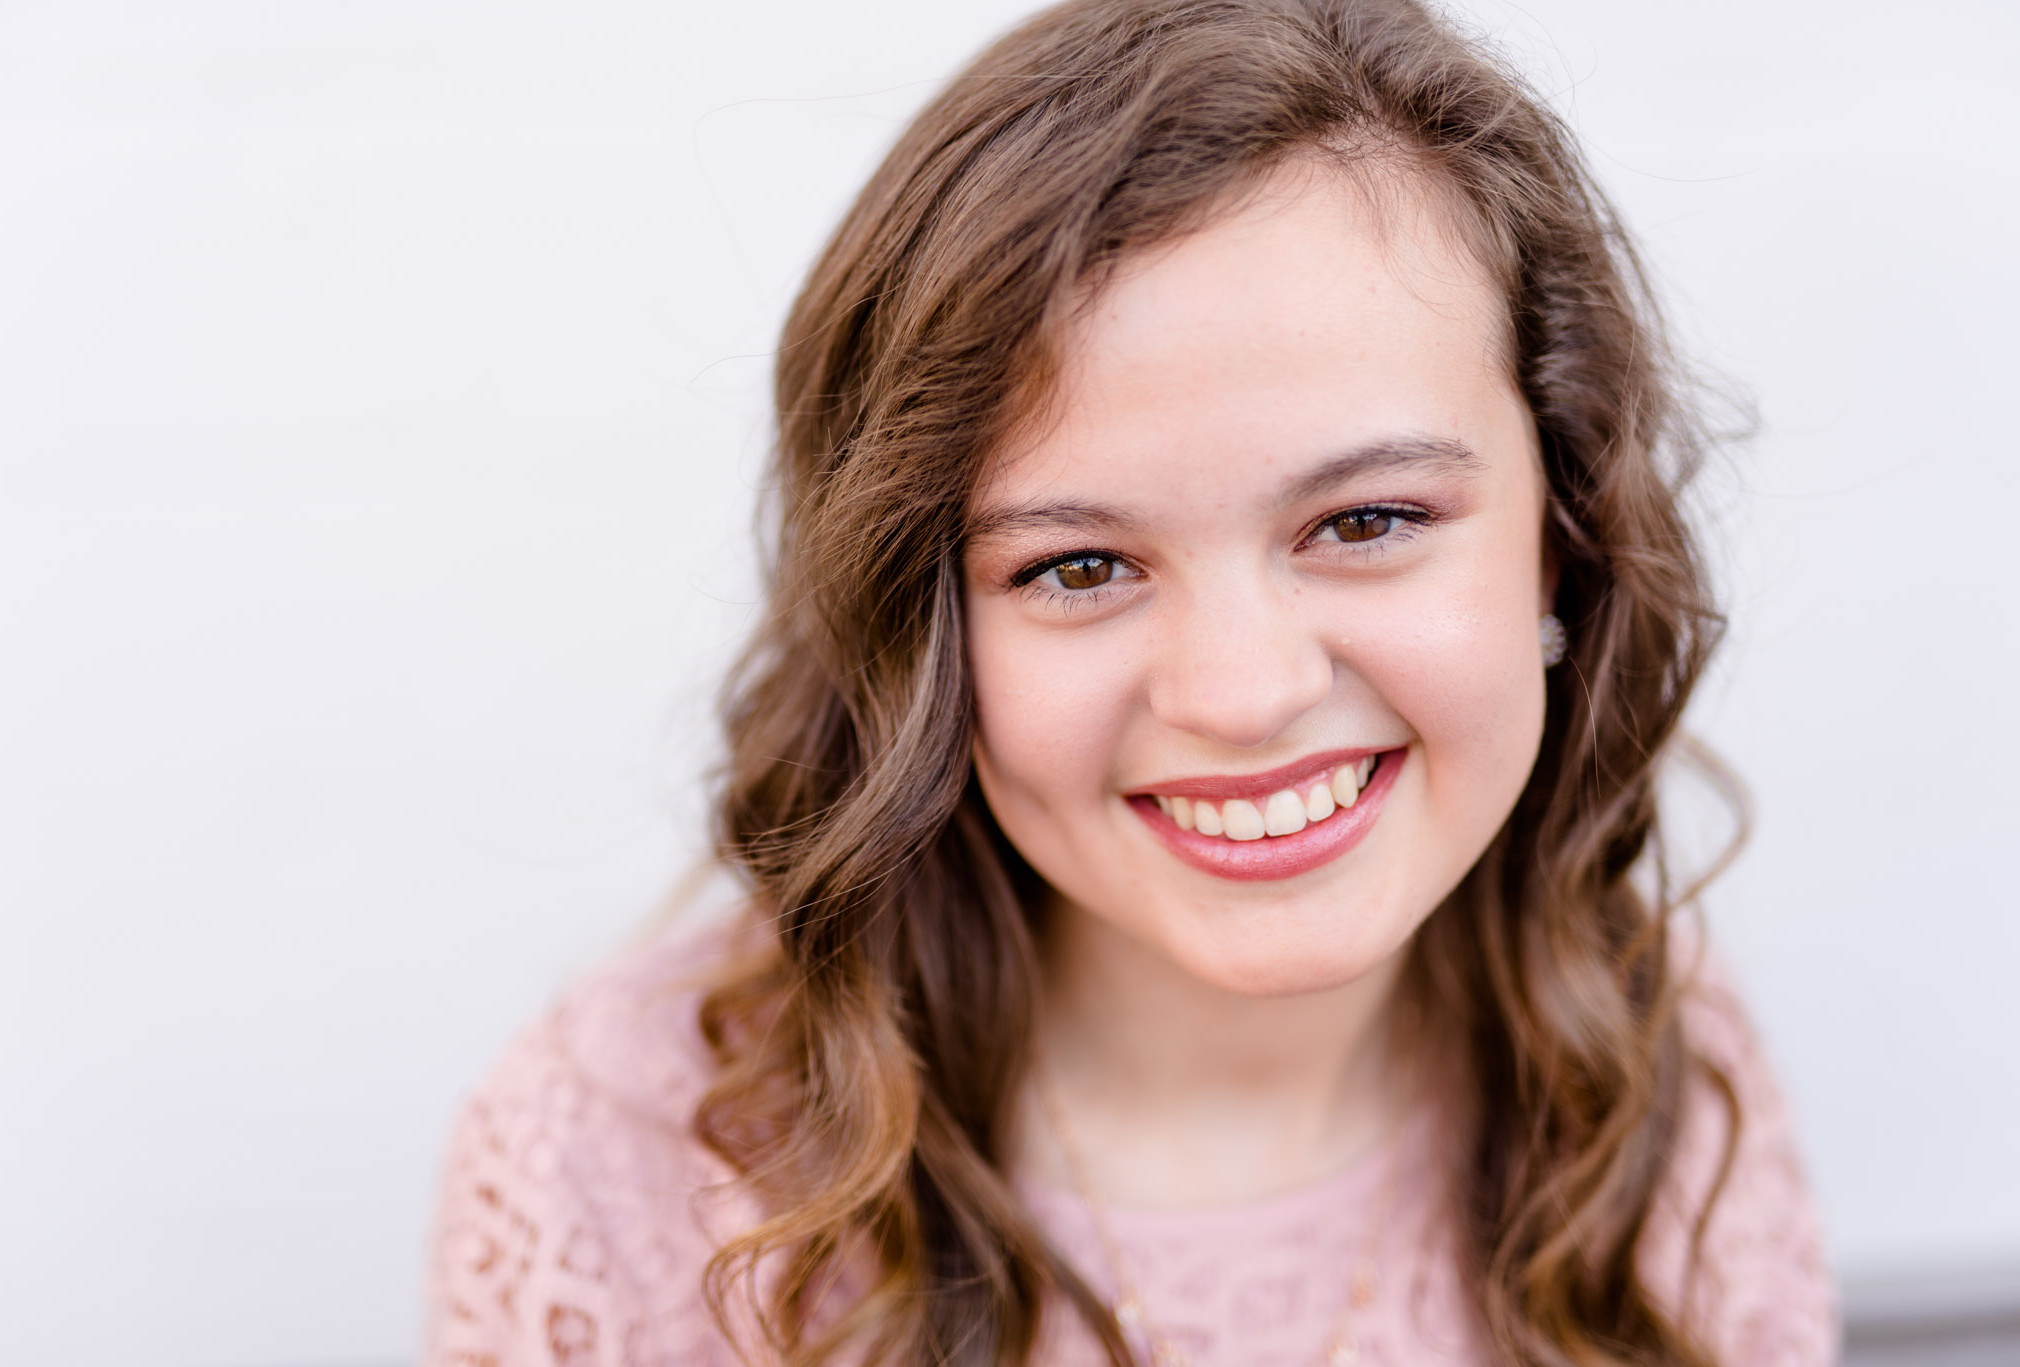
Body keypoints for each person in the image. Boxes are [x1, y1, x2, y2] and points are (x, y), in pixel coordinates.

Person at [426, 0, 1838, 1363]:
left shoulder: (1661, 1079)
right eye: (1080, 567)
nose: (1242, 694)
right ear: (920, 630)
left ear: (1564, 540)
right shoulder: (624, 1165)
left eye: (1368, 522)